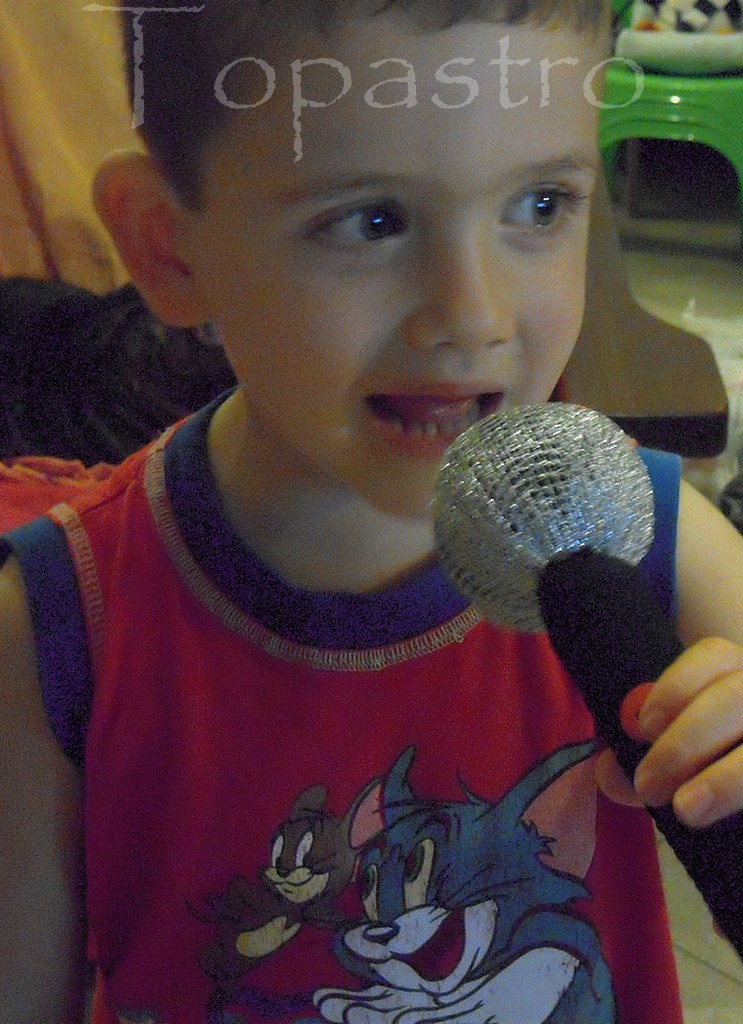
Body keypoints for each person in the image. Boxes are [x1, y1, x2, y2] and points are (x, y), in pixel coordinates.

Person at [2, 2, 743, 1022]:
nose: (473, 314)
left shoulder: (659, 550)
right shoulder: (56, 628)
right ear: (168, 247)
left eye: (540, 205)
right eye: (370, 220)